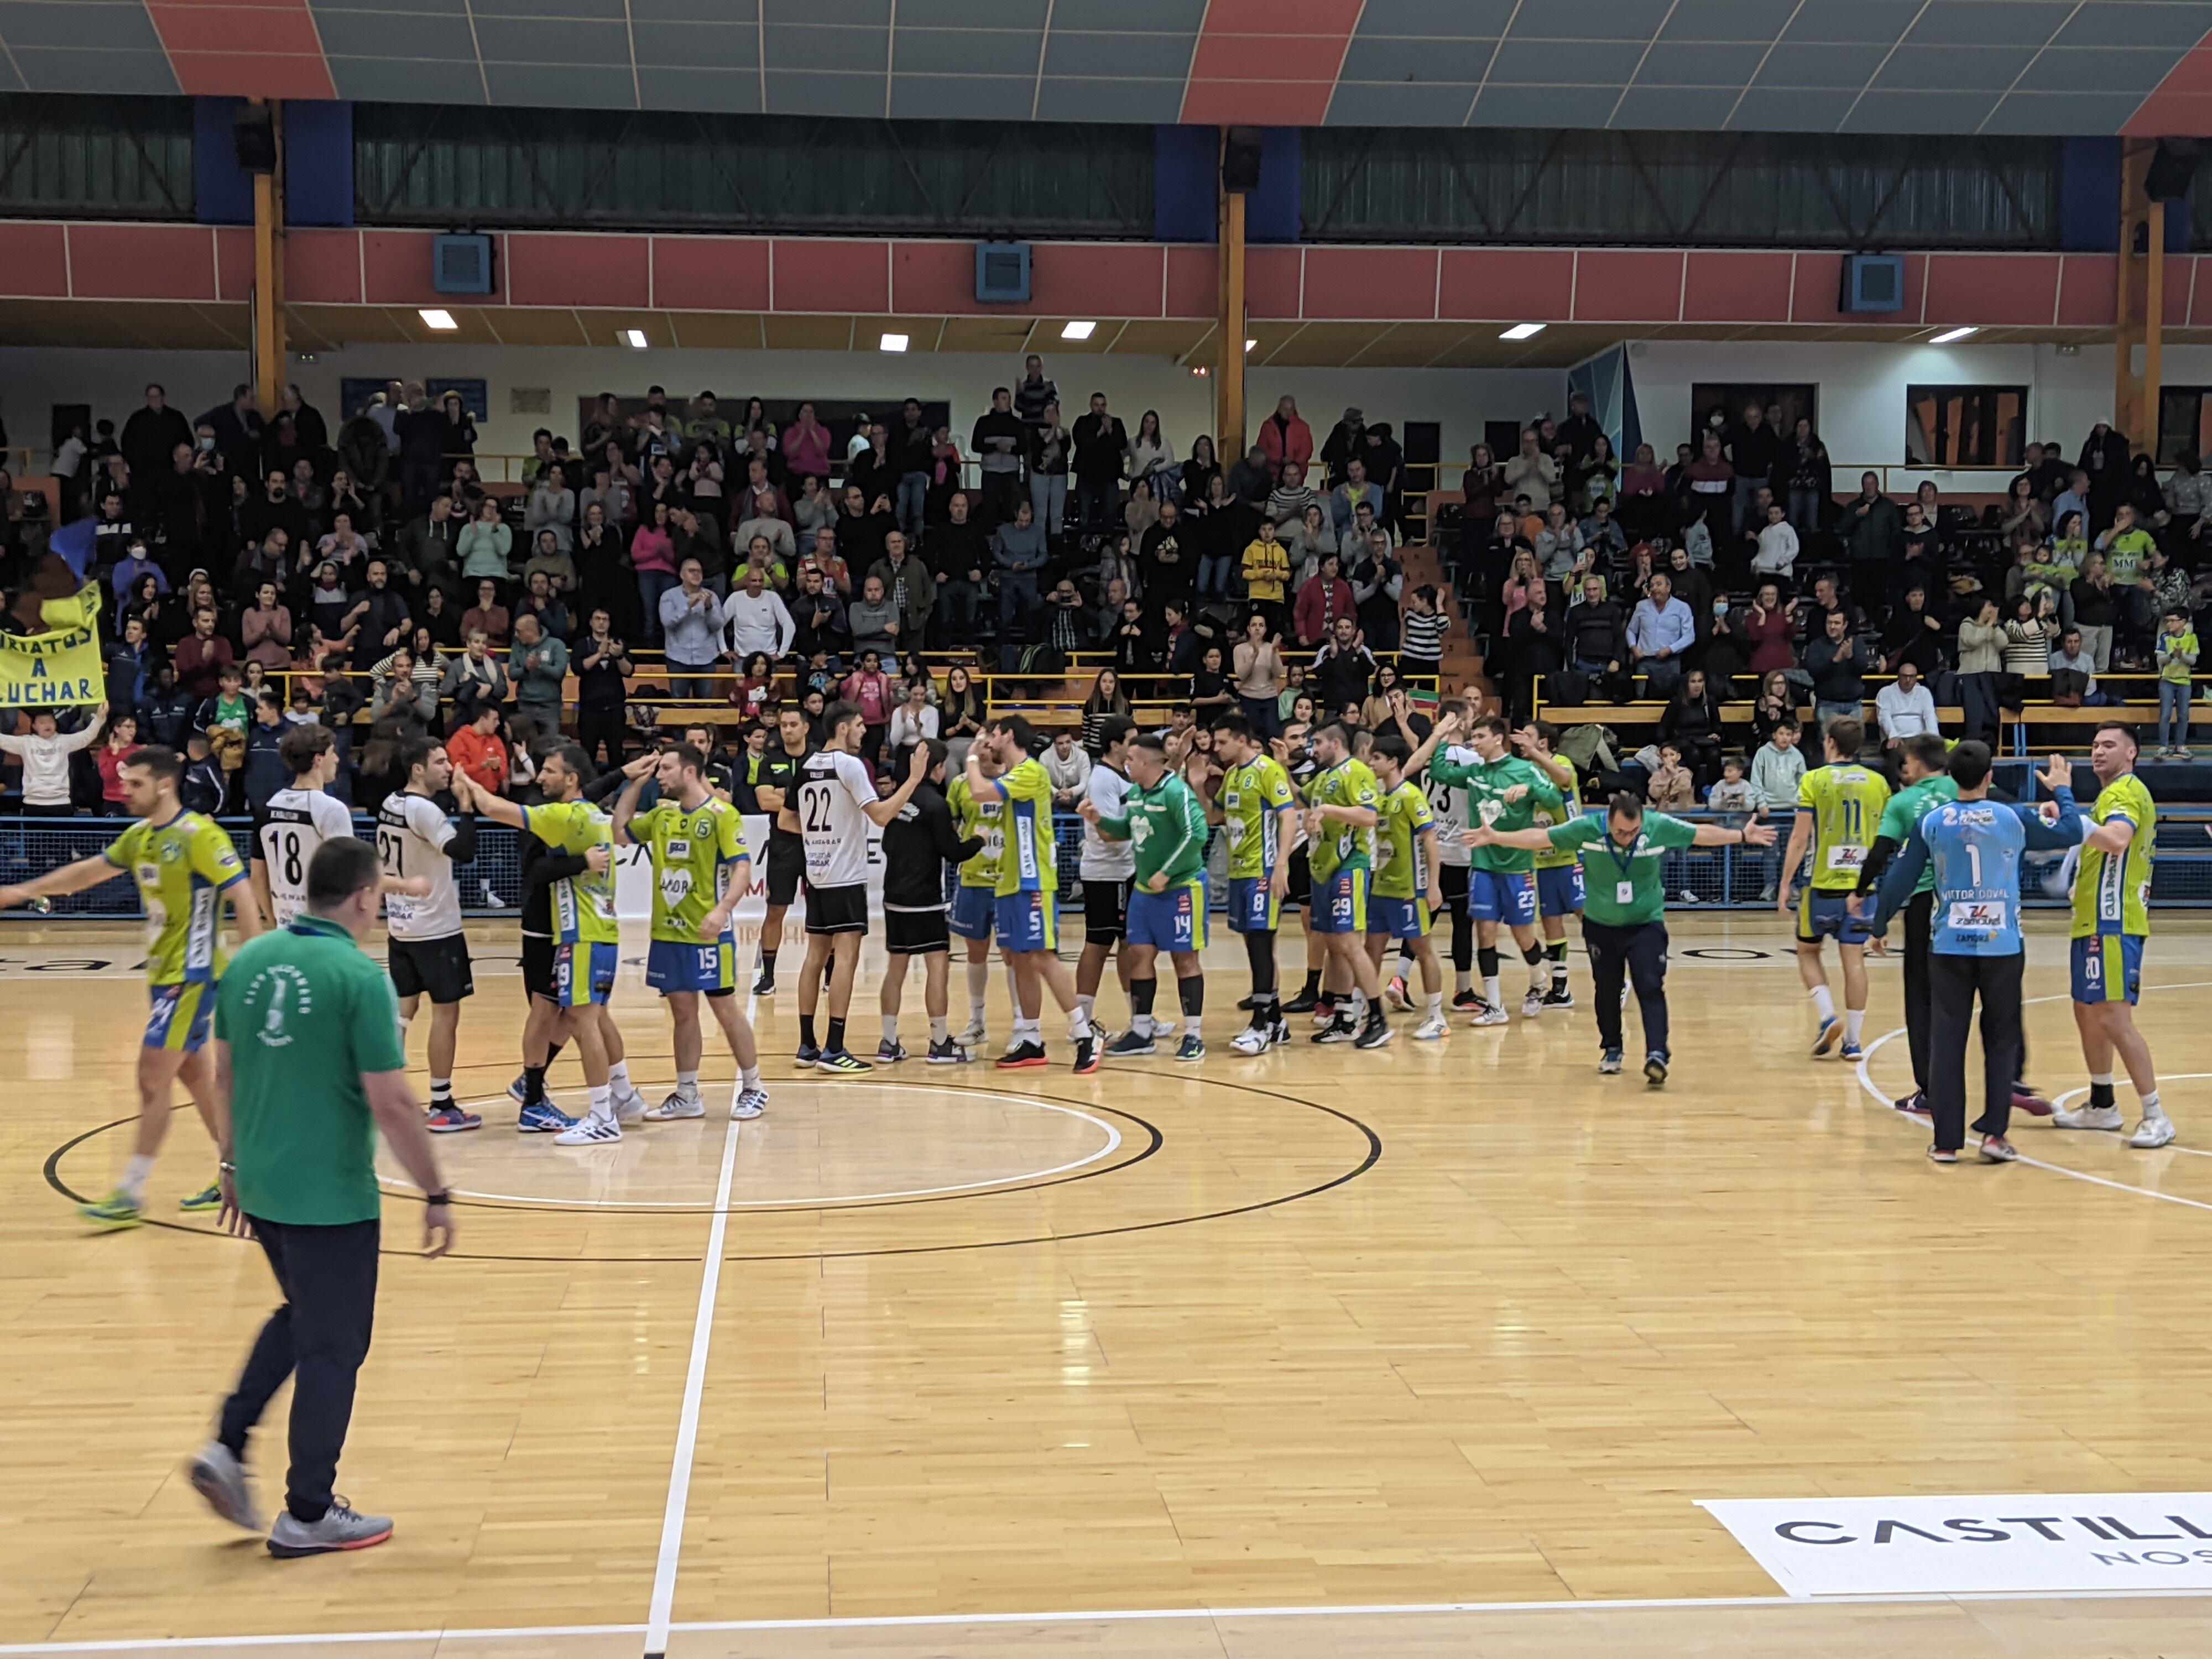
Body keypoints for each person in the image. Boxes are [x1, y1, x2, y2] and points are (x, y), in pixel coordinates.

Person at [185, 834, 453, 1558]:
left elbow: (224, 1071)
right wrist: (436, 1190)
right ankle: (308, 1512)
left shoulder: (251, 960)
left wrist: (231, 1165)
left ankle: (227, 1443)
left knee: (303, 1315)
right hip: (329, 1196)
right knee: (335, 1346)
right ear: (366, 897)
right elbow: (393, 1103)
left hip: (261, 1183)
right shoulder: (357, 978)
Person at [0, 744, 267, 1226]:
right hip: (162, 974)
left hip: (193, 976)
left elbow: (244, 897)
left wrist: (252, 971)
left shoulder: (198, 835)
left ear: (164, 786)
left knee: (151, 1077)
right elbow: (89, 872)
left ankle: (130, 1192)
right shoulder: (141, 836)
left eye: (136, 784)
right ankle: (237, 1168)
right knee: (194, 1077)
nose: (125, 792)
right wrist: (25, 890)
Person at [1864, 744, 2080, 1164]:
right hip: (2002, 945)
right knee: (2001, 1040)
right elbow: (2071, 830)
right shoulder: (2012, 816)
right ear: (1990, 776)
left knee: (1947, 1038)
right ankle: (1995, 1136)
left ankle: (1946, 1142)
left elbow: (1899, 880)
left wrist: (1877, 927)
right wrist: (2064, 791)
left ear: (1951, 775)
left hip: (1949, 945)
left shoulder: (1933, 822)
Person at [1472, 794, 1774, 1082]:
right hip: (1601, 925)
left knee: (1650, 985)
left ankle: (1657, 1054)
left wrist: (1741, 836)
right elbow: (1542, 838)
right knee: (1607, 990)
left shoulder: (1657, 826)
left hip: (1646, 924)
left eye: (1633, 832)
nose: (1626, 838)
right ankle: (1612, 1049)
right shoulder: (1588, 828)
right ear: (1608, 821)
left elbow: (1698, 834)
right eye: (1620, 832)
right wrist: (1497, 837)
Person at [457, 744, 648, 1144]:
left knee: (583, 1021)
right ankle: (612, 1098)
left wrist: (466, 783)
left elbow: (495, 809)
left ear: (571, 779)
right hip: (595, 930)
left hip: (581, 933)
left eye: (548, 771)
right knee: (584, 1018)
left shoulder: (564, 817)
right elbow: (608, 815)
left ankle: (600, 1114)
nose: (540, 777)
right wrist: (628, 776)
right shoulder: (592, 815)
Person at [613, 744, 768, 1120]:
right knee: (683, 1012)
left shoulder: (721, 815)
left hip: (708, 933)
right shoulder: (662, 815)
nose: (660, 775)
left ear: (689, 772)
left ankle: (754, 1086)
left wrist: (722, 909)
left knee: (724, 1008)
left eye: (666, 768)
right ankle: (687, 1094)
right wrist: (636, 782)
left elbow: (743, 869)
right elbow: (620, 831)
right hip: (668, 933)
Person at [782, 702, 927, 1074]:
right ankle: (835, 1048)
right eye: (861, 725)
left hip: (816, 875)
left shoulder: (810, 765)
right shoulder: (850, 766)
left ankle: (806, 1045)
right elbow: (880, 815)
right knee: (845, 958)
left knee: (815, 958)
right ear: (843, 728)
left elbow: (786, 820)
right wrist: (913, 780)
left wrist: (822, 836)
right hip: (845, 877)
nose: (865, 731)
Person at [2053, 722, 2173, 1148]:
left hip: (2114, 920)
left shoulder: (2124, 791)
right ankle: (2102, 1105)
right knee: (2087, 1010)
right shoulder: (2110, 795)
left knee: (2114, 1018)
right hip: (2091, 920)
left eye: (2109, 745)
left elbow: (2117, 840)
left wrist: (2067, 804)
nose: (2098, 752)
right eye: (2095, 745)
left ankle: (2156, 1114)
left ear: (2132, 753)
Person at [961, 716, 1099, 1071]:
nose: (989, 739)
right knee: (1018, 958)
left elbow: (980, 791)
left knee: (1041, 956)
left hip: (1032, 879)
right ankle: (1032, 1039)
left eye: (994, 734)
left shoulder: (1031, 772)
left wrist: (971, 759)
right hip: (1009, 881)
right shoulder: (1014, 773)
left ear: (1008, 735)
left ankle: (1086, 1034)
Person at [1414, 712, 1563, 1024]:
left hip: (1517, 866)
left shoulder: (1525, 770)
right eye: (1473, 738)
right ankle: (1495, 1006)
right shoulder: (1474, 772)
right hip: (1482, 866)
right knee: (1485, 933)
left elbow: (1554, 799)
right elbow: (1440, 772)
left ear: (1498, 738)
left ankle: (1538, 981)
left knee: (1524, 936)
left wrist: (1530, 791)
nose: (1475, 743)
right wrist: (1444, 737)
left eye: (1480, 737)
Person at [1084, 733, 1213, 1062]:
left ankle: (1194, 1036)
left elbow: (1196, 835)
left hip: (1181, 888)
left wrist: (1167, 873)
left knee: (1185, 959)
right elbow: (1126, 829)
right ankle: (1142, 1031)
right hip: (1144, 892)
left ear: (1146, 762)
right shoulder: (1138, 794)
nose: (1125, 763)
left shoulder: (1176, 792)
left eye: (1130, 759)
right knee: (1139, 954)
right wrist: (1099, 821)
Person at [374, 737, 478, 1129]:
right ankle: (441, 1103)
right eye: (440, 762)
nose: (448, 768)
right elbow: (463, 851)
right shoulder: (426, 811)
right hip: (435, 926)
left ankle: (387, 1095)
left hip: (401, 923)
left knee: (404, 1010)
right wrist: (466, 807)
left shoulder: (390, 803)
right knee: (446, 1013)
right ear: (418, 769)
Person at [1851, 734, 1955, 1120]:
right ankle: (2008, 1081)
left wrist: (1862, 894)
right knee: (1971, 996)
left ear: (1916, 762)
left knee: (1921, 998)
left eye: (1906, 761)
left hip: (1923, 903)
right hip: (1971, 901)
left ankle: (1929, 1089)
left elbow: (1881, 855)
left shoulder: (1904, 802)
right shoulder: (1966, 786)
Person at [1777, 717, 1890, 1063]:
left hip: (1823, 886)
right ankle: (1854, 1042)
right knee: (1854, 961)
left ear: (1829, 743)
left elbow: (1799, 838)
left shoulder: (1814, 780)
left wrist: (1785, 884)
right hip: (1862, 888)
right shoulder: (1878, 783)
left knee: (1808, 952)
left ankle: (1828, 1016)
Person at [869, 737, 984, 1065]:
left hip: (894, 898)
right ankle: (939, 1043)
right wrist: (979, 840)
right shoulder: (937, 805)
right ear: (937, 768)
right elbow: (954, 851)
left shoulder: (896, 801)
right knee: (938, 966)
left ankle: (889, 1042)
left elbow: (888, 846)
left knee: (896, 968)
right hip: (926, 900)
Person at [1206, 712, 1297, 1055]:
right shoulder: (1232, 775)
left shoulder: (1267, 770)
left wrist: (1281, 864)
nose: (1217, 748)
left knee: (1261, 941)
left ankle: (1260, 1024)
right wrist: (1196, 780)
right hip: (1239, 871)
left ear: (1242, 740)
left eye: (1222, 741)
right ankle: (1276, 1020)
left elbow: (1288, 814)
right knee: (1252, 942)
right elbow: (1215, 816)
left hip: (1263, 868)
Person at [1299, 721, 1392, 1048]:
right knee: (1335, 943)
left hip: (1350, 866)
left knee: (1351, 942)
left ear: (1336, 744)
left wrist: (1327, 810)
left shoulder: (1356, 771)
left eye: (1319, 742)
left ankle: (1378, 1016)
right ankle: (1343, 1016)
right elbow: (1300, 799)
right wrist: (1283, 765)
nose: (1314, 748)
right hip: (1323, 867)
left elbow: (1369, 816)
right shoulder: (1323, 777)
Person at [1365, 733, 1448, 1040]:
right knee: (1371, 948)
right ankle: (1365, 1009)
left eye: (1376, 758)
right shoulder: (1379, 796)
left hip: (1409, 889)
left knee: (1422, 949)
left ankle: (1437, 1016)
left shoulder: (1411, 796)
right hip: (1381, 887)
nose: (1371, 763)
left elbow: (1430, 839)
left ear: (1392, 762)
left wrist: (1434, 886)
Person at [253, 724, 364, 928]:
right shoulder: (331, 809)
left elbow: (258, 876)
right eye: (333, 753)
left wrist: (275, 921)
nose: (337, 759)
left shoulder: (267, 808)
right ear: (318, 759)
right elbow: (347, 875)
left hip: (285, 931)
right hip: (324, 931)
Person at [1071, 716, 1137, 1046]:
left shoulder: (1123, 775)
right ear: (1115, 744)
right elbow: (1107, 831)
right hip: (1107, 873)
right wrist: (1145, 836)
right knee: (1098, 945)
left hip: (1124, 871)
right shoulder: (1102, 779)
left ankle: (1139, 1017)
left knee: (1128, 944)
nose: (1135, 746)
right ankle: (1082, 1022)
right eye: (1131, 740)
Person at [946, 735, 1010, 1052]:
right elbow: (952, 825)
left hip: (1009, 880)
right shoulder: (960, 784)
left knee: (1014, 955)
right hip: (973, 878)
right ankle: (977, 1021)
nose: (987, 747)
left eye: (991, 741)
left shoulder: (1017, 777)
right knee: (976, 952)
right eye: (982, 742)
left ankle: (1023, 1025)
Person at [748, 705, 813, 995]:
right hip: (782, 846)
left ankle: (828, 975)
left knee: (823, 912)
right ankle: (768, 976)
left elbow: (829, 801)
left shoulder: (820, 758)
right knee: (775, 911)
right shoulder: (769, 761)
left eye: (793, 724)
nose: (787, 730)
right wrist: (802, 798)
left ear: (805, 728)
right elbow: (764, 801)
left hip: (817, 846)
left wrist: (783, 795)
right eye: (784, 725)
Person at [1, 702, 105, 815]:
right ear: (34, 726)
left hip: (61, 802)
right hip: (33, 803)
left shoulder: (65, 741)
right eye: (42, 722)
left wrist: (99, 718)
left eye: (50, 721)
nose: (47, 725)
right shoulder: (26, 743)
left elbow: (88, 736)